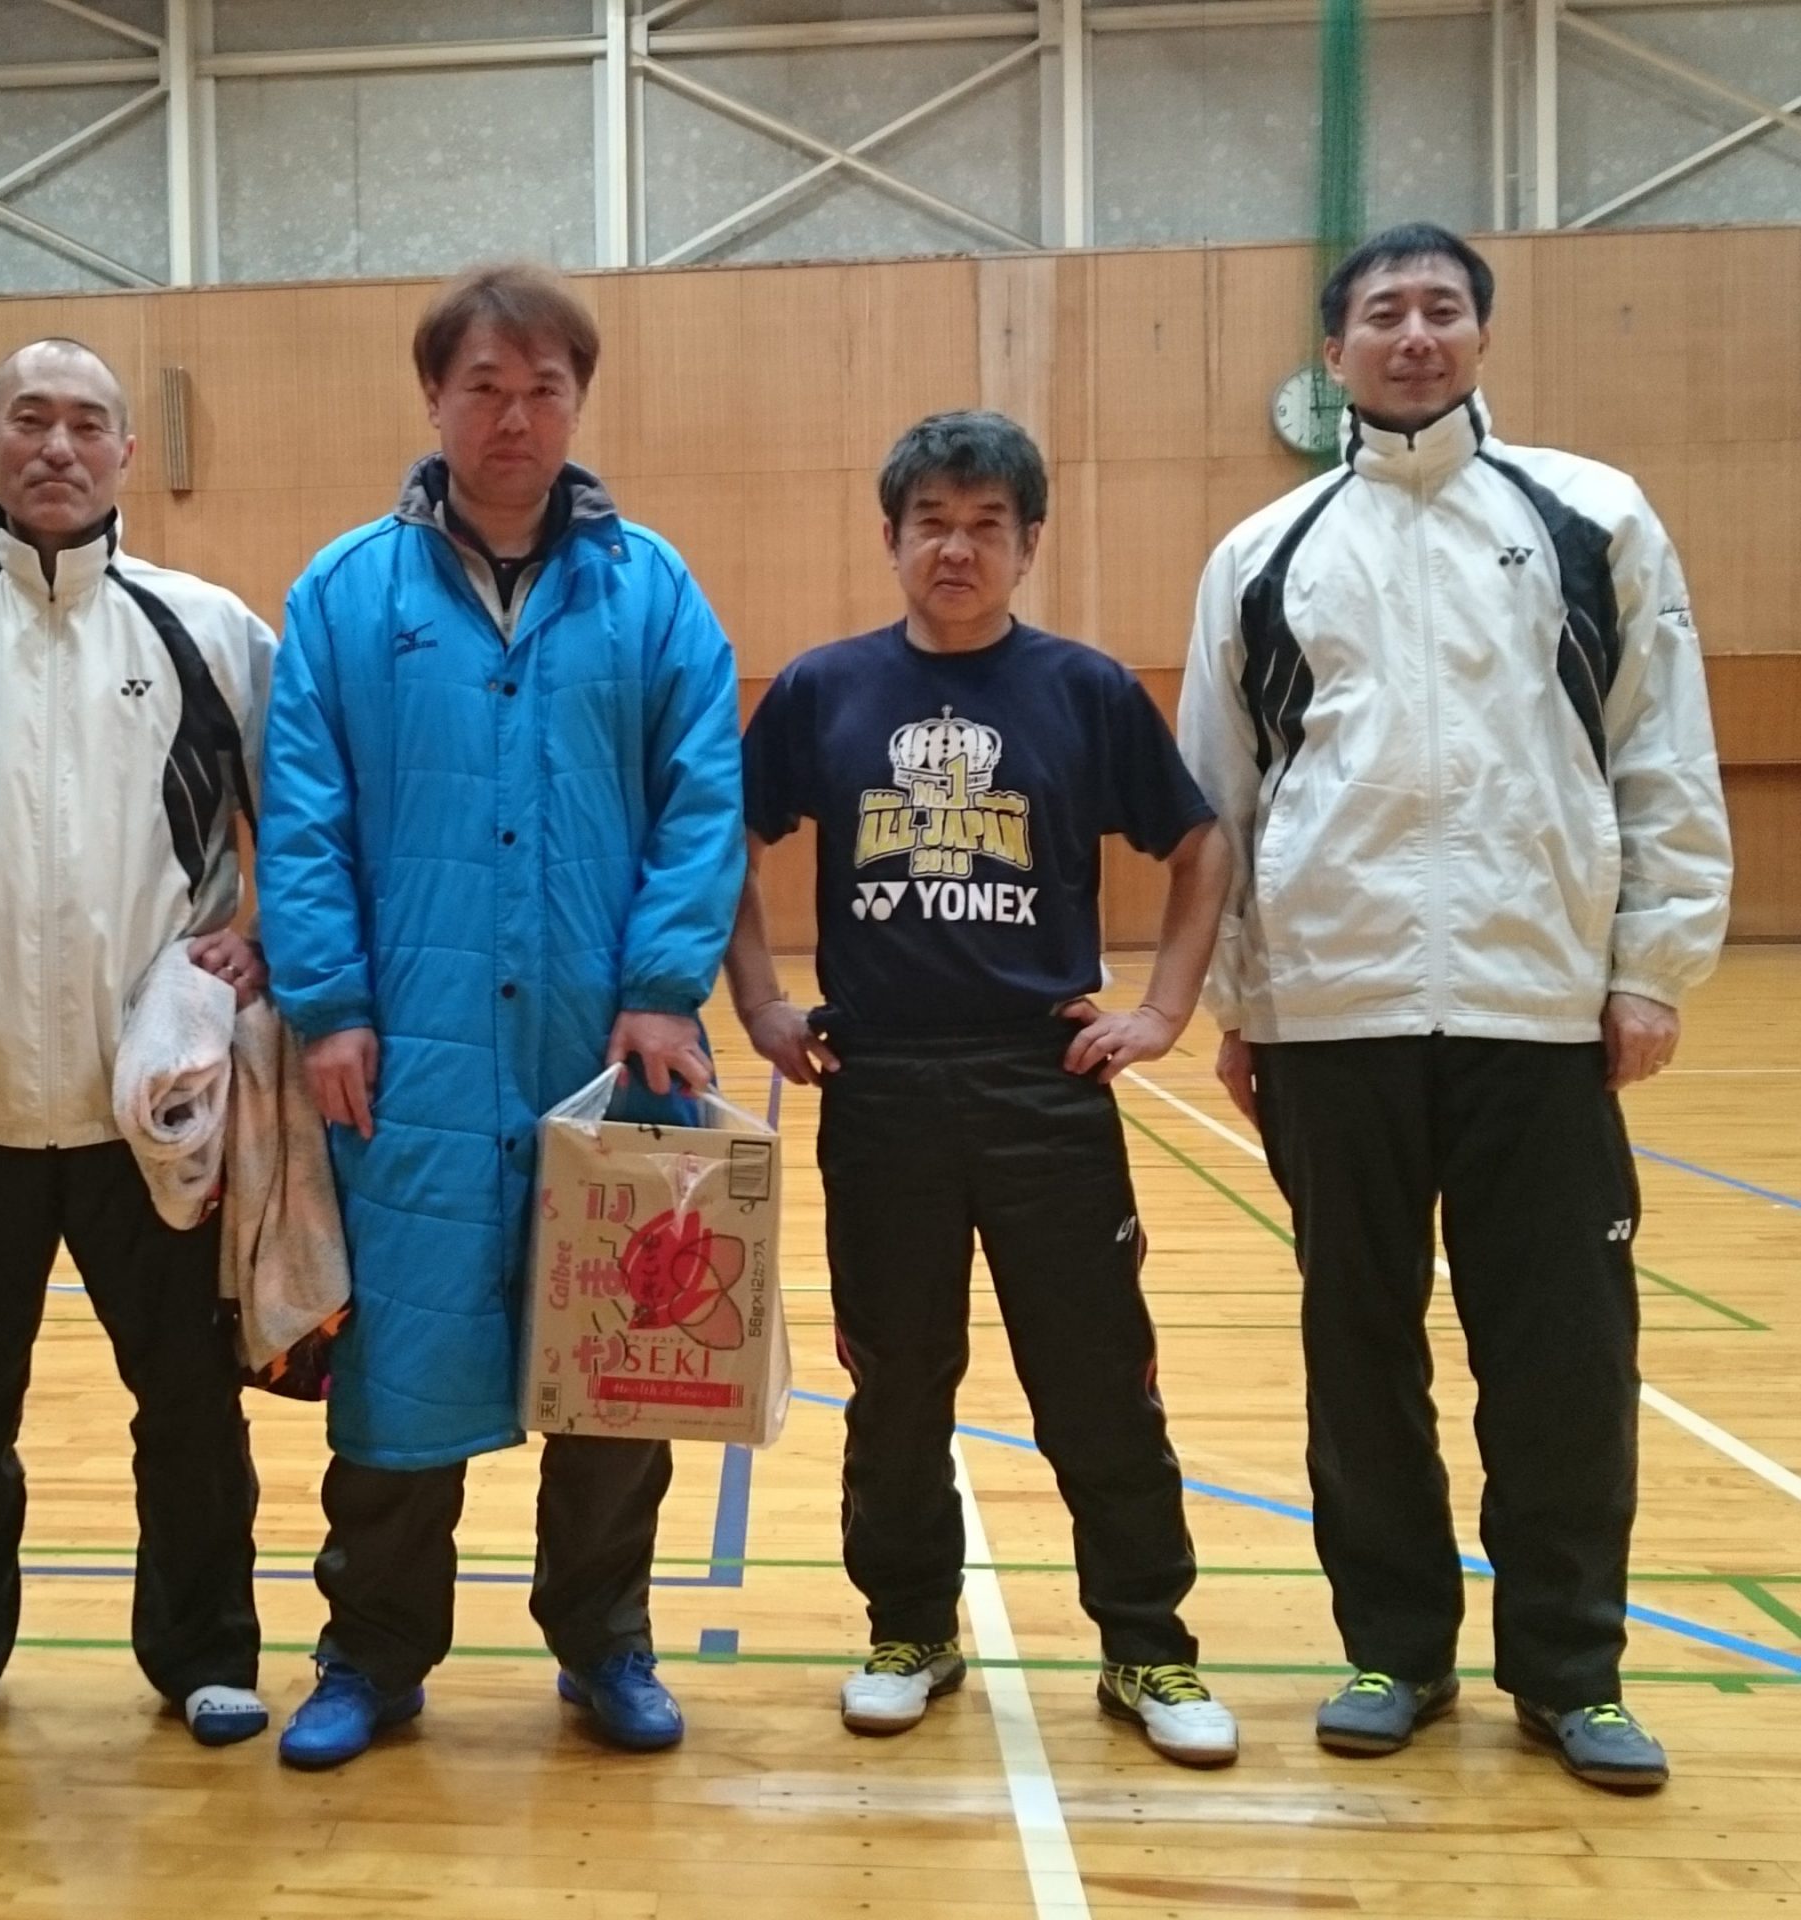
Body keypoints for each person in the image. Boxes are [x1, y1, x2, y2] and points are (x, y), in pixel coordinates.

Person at [1178, 223, 1733, 1791]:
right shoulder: (1264, 551)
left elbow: (1661, 750)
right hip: (1334, 1012)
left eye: (1440, 310)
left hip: (1534, 1006)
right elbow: (1220, 794)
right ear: (1333, 352)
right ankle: (1394, 1651)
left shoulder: (1593, 517)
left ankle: (1571, 1670)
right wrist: (1241, 1002)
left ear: (1482, 337)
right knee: (1359, 1353)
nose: (1412, 334)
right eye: (1382, 313)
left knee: (1562, 1359)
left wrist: (1647, 968)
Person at [256, 262, 744, 1769]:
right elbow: (304, 817)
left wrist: (662, 985)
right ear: (433, 398)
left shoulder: (651, 590)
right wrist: (330, 1004)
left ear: (578, 403)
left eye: (543, 390)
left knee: (617, 1357)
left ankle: (605, 1643)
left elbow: (702, 798)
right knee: (401, 1367)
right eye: (484, 388)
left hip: (609, 1048)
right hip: (410, 1051)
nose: (513, 417)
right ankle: (370, 1654)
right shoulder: (346, 593)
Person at [724, 411, 1241, 1765]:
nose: (956, 548)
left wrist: (1164, 1009)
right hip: (879, 1083)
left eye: (985, 526)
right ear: (891, 537)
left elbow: (1200, 845)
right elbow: (723, 839)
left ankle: (1148, 1647)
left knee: (1096, 1382)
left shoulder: (1084, 690)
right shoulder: (824, 689)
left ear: (1028, 544)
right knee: (897, 1385)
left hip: (1042, 1083)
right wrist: (762, 1002)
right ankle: (909, 1630)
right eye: (932, 524)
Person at [0, 338, 276, 1758]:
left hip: (153, 1111)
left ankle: (205, 1652)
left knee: (188, 1401)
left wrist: (271, 948)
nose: (57, 446)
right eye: (29, 420)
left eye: (87, 423)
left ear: (126, 455)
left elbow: (306, 819)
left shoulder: (208, 631)